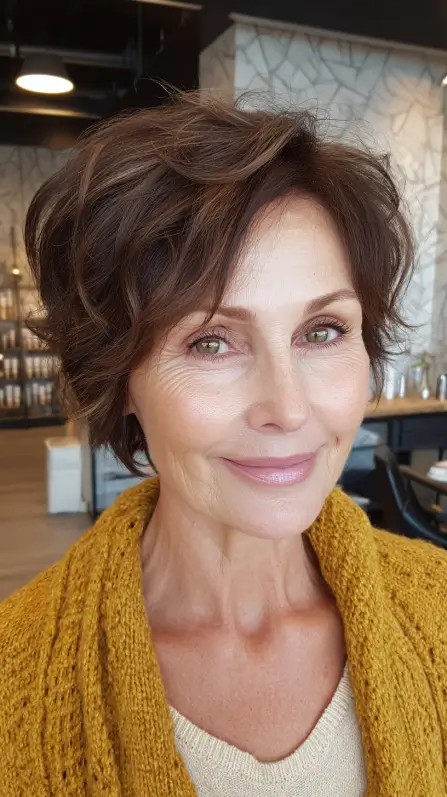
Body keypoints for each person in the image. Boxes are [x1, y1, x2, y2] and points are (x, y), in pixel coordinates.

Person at [0, 91, 446, 797]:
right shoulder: (15, 680)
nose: (287, 408)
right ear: (119, 377)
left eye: (322, 331)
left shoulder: (437, 607)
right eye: (211, 341)